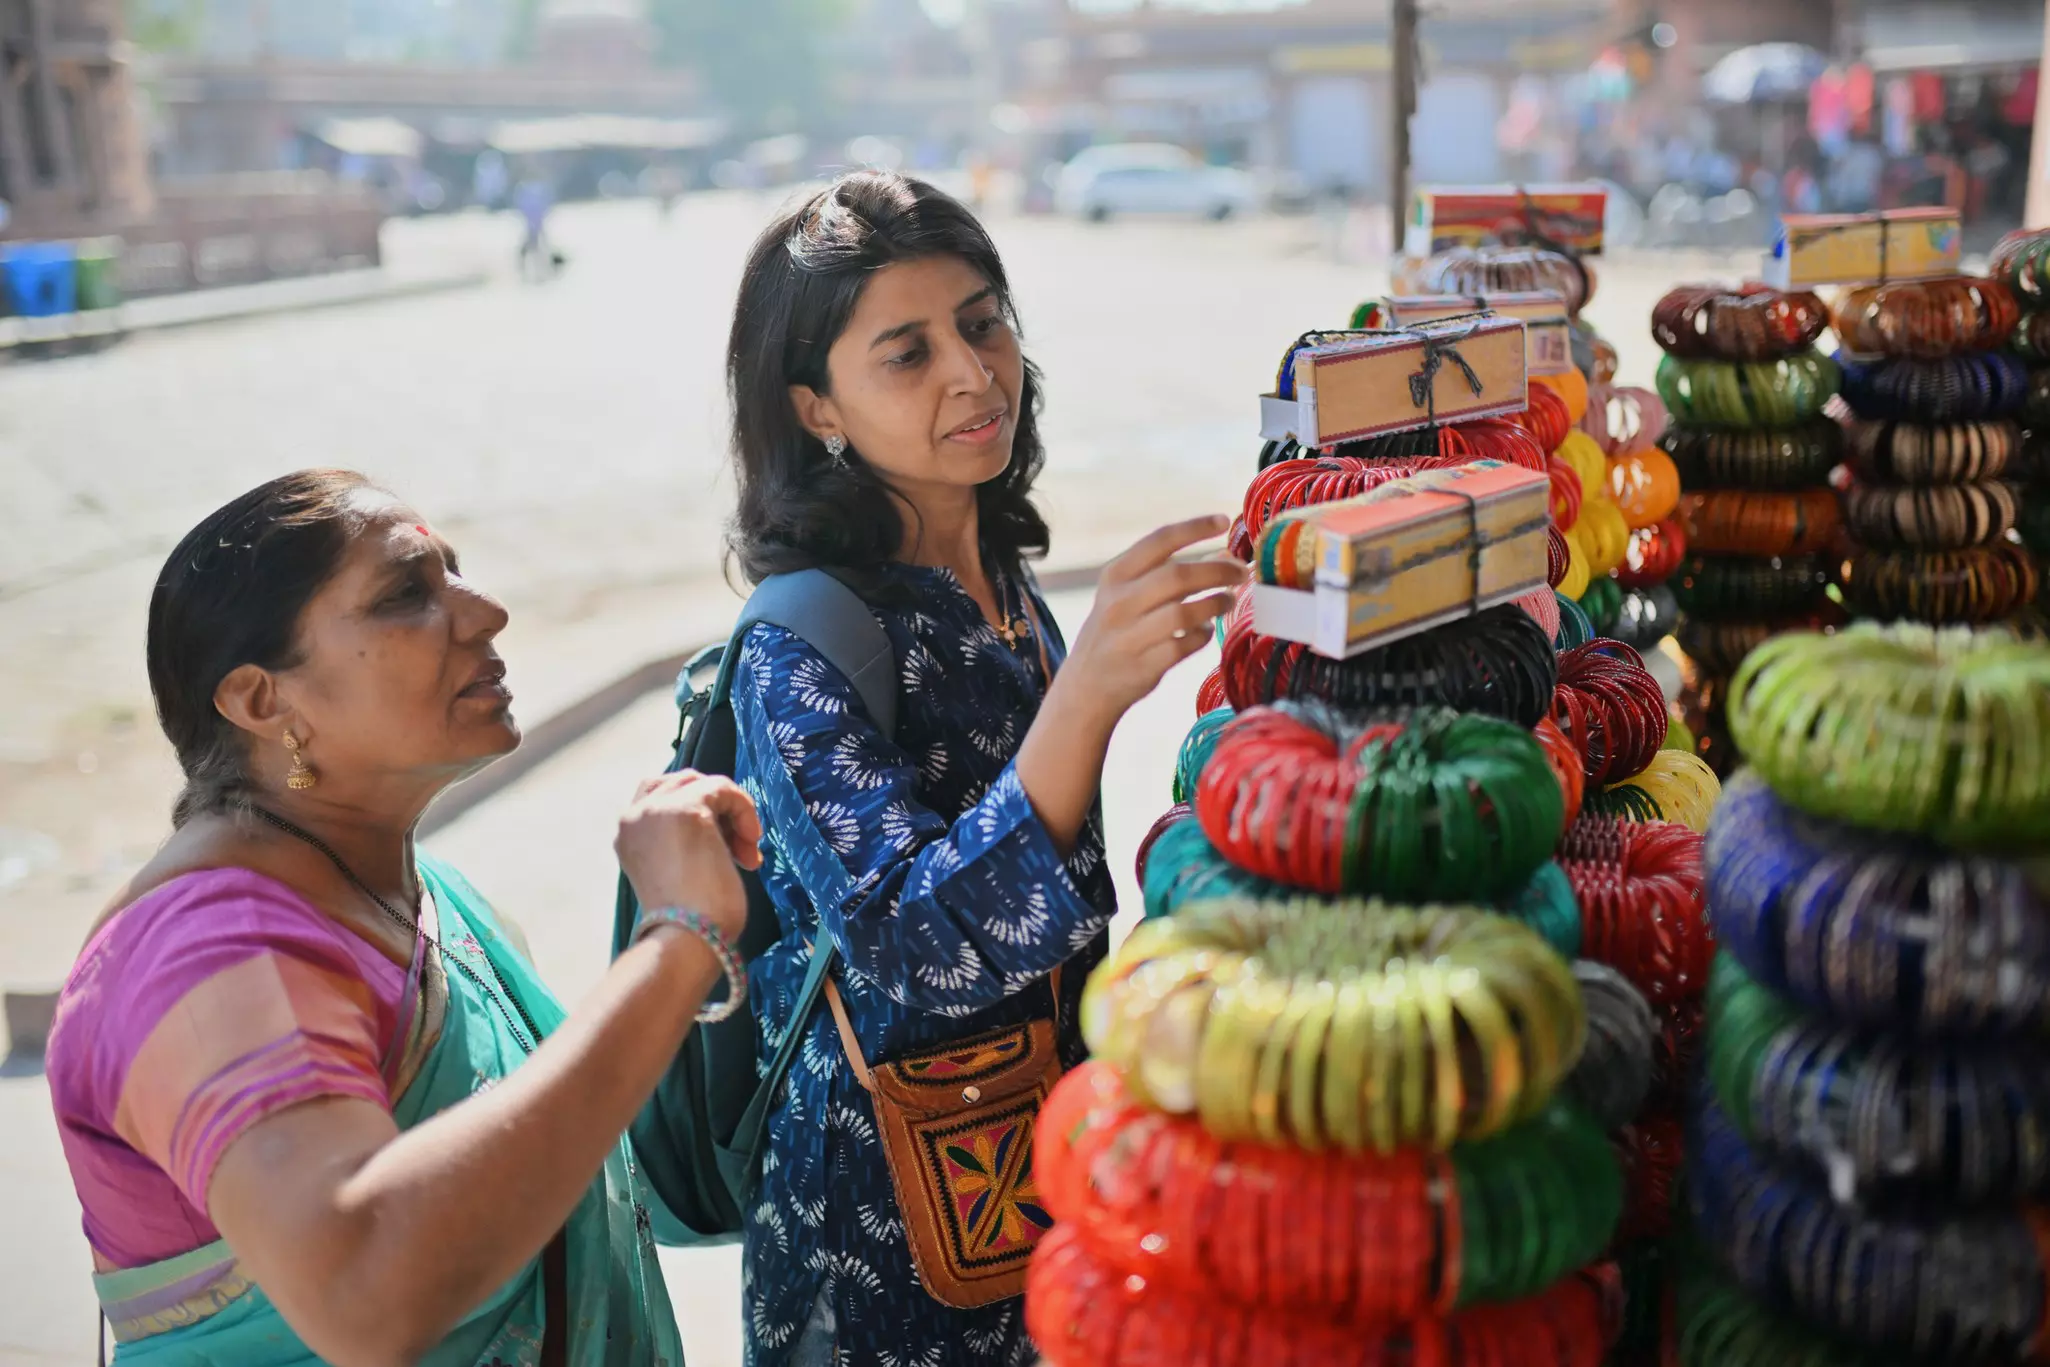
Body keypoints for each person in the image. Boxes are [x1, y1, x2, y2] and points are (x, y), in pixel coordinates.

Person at [45, 469, 760, 1366]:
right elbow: (367, 1293)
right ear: (264, 701)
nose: (487, 611)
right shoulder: (202, 955)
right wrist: (676, 940)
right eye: (405, 595)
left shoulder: (434, 898)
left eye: (455, 573)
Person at [719, 170, 1245, 1365]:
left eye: (983, 320)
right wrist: (1090, 694)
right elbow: (912, 947)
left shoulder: (1001, 584)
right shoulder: (797, 641)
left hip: (1050, 1177)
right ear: (817, 409)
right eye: (905, 353)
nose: (972, 371)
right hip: (882, 1227)